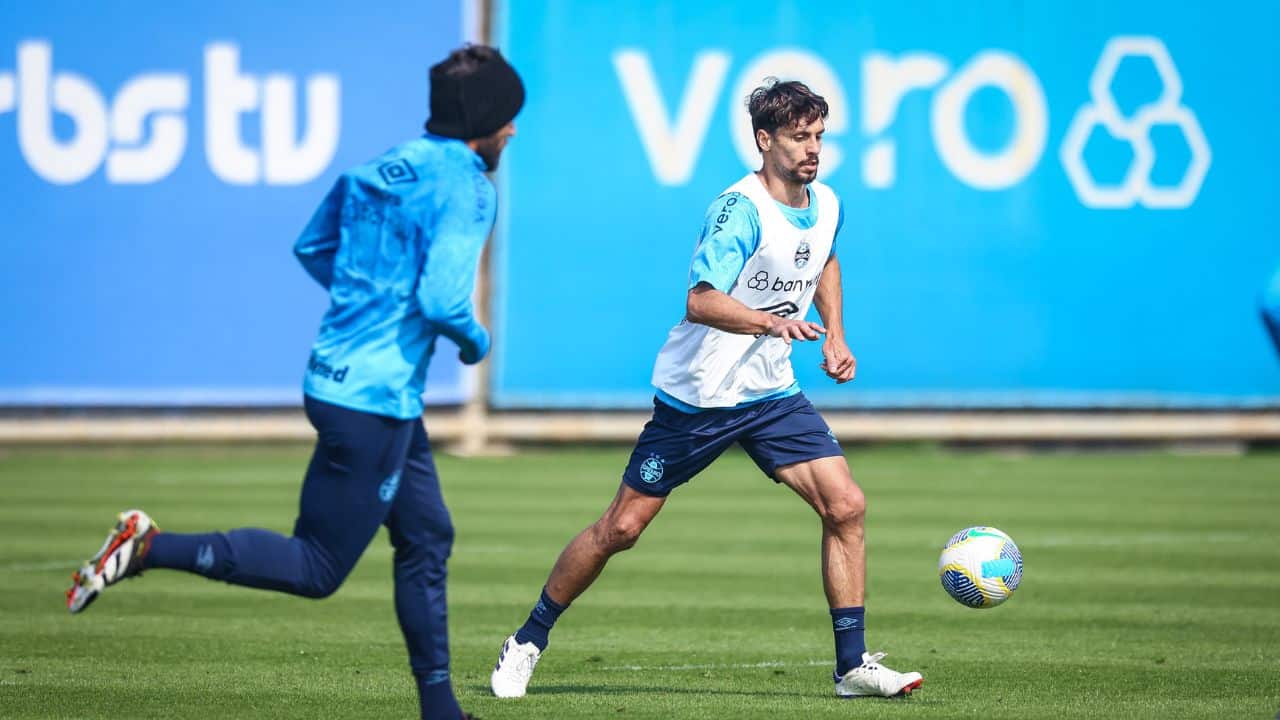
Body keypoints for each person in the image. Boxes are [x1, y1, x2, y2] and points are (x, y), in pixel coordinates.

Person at [64, 44, 524, 720]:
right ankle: (146, 548)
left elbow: (312, 248)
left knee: (427, 535)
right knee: (316, 568)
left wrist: (367, 305)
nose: (512, 129)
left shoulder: (378, 168)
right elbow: (441, 302)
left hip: (342, 380)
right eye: (508, 116)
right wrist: (475, 342)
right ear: (483, 121)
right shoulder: (470, 189)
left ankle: (440, 710)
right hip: (373, 400)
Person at [489, 78, 922, 700]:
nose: (812, 149)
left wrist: (835, 336)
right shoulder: (739, 210)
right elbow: (701, 301)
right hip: (699, 397)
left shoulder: (827, 202)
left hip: (770, 394)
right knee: (622, 528)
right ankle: (528, 639)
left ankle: (851, 666)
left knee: (846, 505)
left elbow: (823, 258)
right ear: (764, 139)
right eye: (799, 137)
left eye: (819, 136)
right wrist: (772, 322)